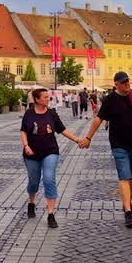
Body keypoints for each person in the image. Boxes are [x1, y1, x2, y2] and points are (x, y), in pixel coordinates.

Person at [82, 71, 132, 228]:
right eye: (123, 82)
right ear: (116, 84)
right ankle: (128, 211)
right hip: (118, 143)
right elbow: (99, 119)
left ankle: (127, 202)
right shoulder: (110, 100)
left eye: (128, 81)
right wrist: (88, 138)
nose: (127, 84)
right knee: (124, 176)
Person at [21, 88, 87, 228]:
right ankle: (31, 202)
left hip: (50, 151)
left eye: (48, 97)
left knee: (49, 179)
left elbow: (62, 129)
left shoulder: (52, 114)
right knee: (33, 181)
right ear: (37, 99)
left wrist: (77, 140)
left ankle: (51, 213)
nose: (48, 99)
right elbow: (23, 131)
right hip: (31, 153)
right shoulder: (29, 114)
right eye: (45, 97)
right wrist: (26, 145)